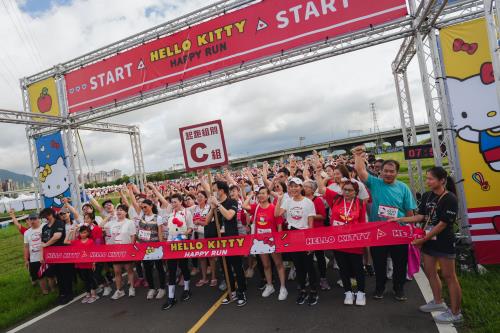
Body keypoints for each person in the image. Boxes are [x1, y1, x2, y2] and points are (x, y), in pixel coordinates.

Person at [391, 167, 463, 324]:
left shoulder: (450, 198)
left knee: (449, 276)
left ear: (442, 180)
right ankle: (438, 302)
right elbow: (422, 216)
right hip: (429, 241)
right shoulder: (426, 195)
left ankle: (456, 313)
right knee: (431, 273)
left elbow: (442, 225)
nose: (428, 181)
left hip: (443, 242)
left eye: (431, 179)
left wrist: (423, 239)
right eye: (427, 178)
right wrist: (400, 220)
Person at [353, 145, 417, 301]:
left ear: (396, 172)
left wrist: (412, 231)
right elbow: (360, 171)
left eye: (391, 171)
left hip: (398, 232)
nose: (388, 174)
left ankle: (398, 289)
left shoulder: (403, 188)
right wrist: (359, 155)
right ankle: (379, 288)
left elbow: (410, 212)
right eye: (385, 171)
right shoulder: (375, 183)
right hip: (379, 232)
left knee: (400, 264)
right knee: (379, 264)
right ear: (380, 172)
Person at [316, 171, 367, 306]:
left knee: (358, 269)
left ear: (356, 192)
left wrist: (363, 240)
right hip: (339, 242)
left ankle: (361, 293)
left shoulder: (360, 203)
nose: (347, 192)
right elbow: (321, 188)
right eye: (345, 189)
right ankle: (348, 292)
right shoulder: (336, 199)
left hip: (354, 242)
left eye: (350, 190)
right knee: (343, 268)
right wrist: (319, 173)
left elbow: (362, 224)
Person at [275, 177, 318, 306]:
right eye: (291, 186)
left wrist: (310, 242)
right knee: (298, 265)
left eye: (296, 186)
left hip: (305, 234)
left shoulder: (308, 202)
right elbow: (277, 214)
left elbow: (311, 224)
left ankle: (314, 291)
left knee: (309, 265)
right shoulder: (287, 201)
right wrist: (279, 198)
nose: (293, 189)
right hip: (292, 235)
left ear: (301, 187)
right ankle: (302, 290)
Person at [206, 181, 247, 307]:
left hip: (232, 240)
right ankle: (231, 291)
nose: (213, 193)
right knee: (225, 267)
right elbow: (207, 221)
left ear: (221, 191)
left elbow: (229, 216)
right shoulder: (215, 205)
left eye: (214, 190)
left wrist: (218, 205)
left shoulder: (232, 202)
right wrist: (212, 209)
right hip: (220, 242)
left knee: (237, 267)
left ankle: (242, 292)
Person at [243, 187, 288, 301]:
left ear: (268, 195)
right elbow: (244, 206)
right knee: (266, 265)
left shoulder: (274, 208)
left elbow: (279, 226)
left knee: (278, 264)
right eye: (259, 194)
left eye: (263, 193)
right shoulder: (256, 207)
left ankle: (283, 287)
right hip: (260, 242)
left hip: (273, 241)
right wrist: (249, 196)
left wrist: (279, 242)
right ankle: (269, 286)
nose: (260, 196)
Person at [161, 193, 194, 310]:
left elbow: (190, 227)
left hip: (182, 244)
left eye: (175, 202)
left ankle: (186, 289)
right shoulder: (170, 214)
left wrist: (185, 233)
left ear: (181, 201)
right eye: (172, 202)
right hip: (171, 245)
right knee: (171, 269)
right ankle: (171, 297)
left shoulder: (187, 213)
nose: (173, 204)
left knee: (184, 267)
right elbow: (168, 228)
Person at [39, 208, 74, 305]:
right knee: (58, 275)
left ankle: (69, 294)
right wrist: (41, 255)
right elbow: (42, 242)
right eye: (44, 217)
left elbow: (57, 236)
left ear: (51, 214)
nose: (46, 218)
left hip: (62, 253)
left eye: (47, 216)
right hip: (51, 256)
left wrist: (47, 244)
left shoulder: (59, 223)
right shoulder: (45, 227)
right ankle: (62, 294)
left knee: (65, 274)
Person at [102, 204, 136, 299]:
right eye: (118, 210)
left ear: (125, 212)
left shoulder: (130, 222)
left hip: (126, 249)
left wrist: (131, 248)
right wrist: (108, 216)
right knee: (117, 271)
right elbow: (101, 226)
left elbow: (133, 236)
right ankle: (119, 290)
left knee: (129, 269)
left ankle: (132, 288)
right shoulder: (112, 223)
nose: (119, 211)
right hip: (115, 250)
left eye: (121, 210)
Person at [303, 180, 330, 291]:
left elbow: (323, 216)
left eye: (307, 187)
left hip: (317, 231)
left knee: (320, 256)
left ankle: (323, 278)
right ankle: (310, 277)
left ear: (313, 190)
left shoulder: (317, 200)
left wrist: (310, 216)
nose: (304, 188)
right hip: (304, 232)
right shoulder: (301, 200)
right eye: (303, 186)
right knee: (307, 257)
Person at [137, 199, 167, 300]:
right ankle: (152, 288)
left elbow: (160, 233)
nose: (144, 209)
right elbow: (139, 231)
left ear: (151, 206)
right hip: (144, 247)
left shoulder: (158, 218)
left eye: (145, 207)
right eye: (142, 207)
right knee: (147, 269)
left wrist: (161, 245)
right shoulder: (141, 217)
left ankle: (162, 288)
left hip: (155, 247)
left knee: (159, 268)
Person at [65, 225, 99, 304]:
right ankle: (88, 294)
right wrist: (71, 232)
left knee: (91, 279)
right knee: (85, 279)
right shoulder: (76, 242)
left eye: (84, 233)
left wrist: (94, 262)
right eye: (81, 233)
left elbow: (94, 252)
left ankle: (94, 295)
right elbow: (65, 241)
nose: (83, 234)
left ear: (88, 233)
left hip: (89, 263)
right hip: (80, 264)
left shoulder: (91, 241)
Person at [23, 213, 55, 295]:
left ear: (39, 219)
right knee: (40, 277)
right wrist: (26, 259)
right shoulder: (27, 233)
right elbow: (26, 247)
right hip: (34, 258)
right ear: (29, 221)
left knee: (50, 275)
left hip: (47, 256)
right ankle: (45, 291)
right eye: (31, 219)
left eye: (35, 219)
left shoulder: (46, 226)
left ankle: (53, 290)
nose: (33, 221)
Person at [192, 191, 217, 287]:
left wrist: (200, 222)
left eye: (201, 197)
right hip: (198, 235)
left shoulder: (209, 208)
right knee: (201, 257)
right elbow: (193, 221)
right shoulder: (195, 208)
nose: (198, 198)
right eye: (197, 197)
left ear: (206, 198)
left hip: (208, 234)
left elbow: (210, 221)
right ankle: (204, 278)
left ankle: (214, 277)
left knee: (211, 257)